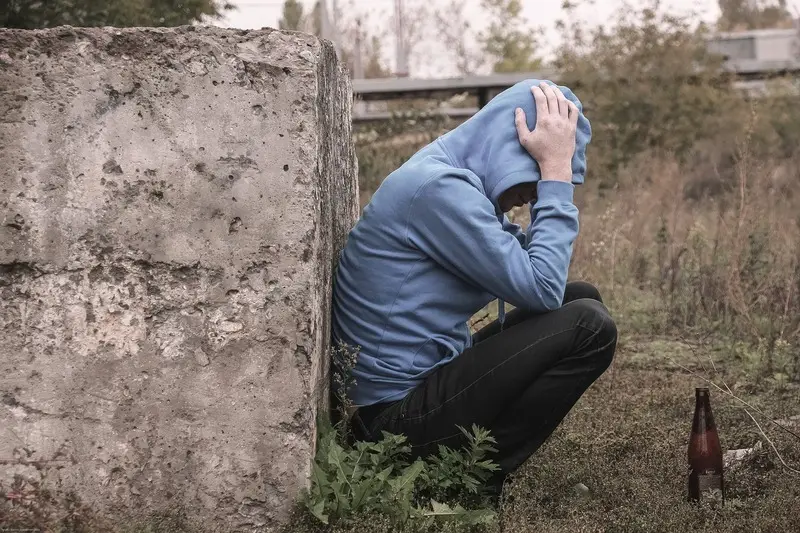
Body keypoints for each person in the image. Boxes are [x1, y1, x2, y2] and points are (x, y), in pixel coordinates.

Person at [331, 80, 617, 494]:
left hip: (416, 390)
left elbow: (532, 268)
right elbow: (541, 286)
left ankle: (471, 468)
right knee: (589, 326)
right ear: (510, 146)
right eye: (532, 174)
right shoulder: (439, 191)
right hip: (386, 423)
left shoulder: (450, 178)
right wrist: (556, 176)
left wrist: (550, 179)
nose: (530, 197)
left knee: (582, 297)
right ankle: (473, 482)